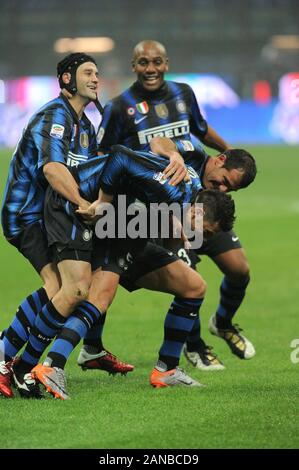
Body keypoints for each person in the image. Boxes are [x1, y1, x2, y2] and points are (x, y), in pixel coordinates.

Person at [83, 39, 256, 371]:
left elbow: (201, 130)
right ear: (134, 66)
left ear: (166, 63)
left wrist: (235, 157)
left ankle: (222, 322)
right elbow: (105, 156)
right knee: (187, 275)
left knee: (239, 268)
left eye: (157, 62)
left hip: (203, 202)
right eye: (144, 63)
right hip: (158, 204)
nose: (151, 69)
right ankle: (193, 346)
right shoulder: (120, 107)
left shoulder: (183, 94)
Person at [31, 143, 237, 397]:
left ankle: (167, 370)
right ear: (197, 210)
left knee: (194, 287)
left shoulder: (188, 199)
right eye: (204, 231)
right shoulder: (174, 188)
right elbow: (120, 156)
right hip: (106, 223)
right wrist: (103, 204)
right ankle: (51, 365)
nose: (201, 238)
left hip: (131, 232)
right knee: (96, 295)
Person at [0, 52, 132, 399]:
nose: (95, 78)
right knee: (64, 288)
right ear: (66, 80)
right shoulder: (54, 117)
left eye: (97, 73)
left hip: (50, 214)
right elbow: (52, 170)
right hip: (26, 213)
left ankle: (14, 364)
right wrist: (82, 204)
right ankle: (11, 362)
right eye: (87, 73)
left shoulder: (85, 124)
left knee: (66, 289)